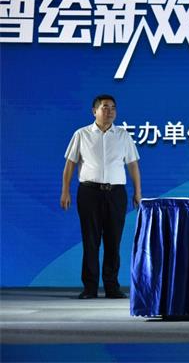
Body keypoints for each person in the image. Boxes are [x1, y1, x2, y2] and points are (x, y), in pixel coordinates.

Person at [60, 95, 142, 299]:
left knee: (113, 241)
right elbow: (70, 164)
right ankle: (90, 287)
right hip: (89, 193)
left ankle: (112, 286)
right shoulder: (81, 134)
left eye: (113, 107)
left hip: (116, 194)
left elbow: (133, 165)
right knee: (90, 240)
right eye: (105, 107)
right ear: (94, 111)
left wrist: (138, 191)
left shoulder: (123, 135)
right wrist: (65, 190)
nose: (110, 111)